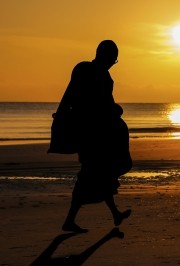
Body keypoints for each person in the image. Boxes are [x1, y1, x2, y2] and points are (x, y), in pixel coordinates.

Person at [50, 40, 132, 233]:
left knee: (99, 174)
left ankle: (115, 214)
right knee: (91, 175)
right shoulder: (90, 72)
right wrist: (62, 118)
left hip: (97, 134)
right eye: (113, 59)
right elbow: (82, 100)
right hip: (91, 136)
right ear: (105, 56)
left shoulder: (90, 71)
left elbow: (72, 97)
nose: (113, 63)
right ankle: (70, 220)